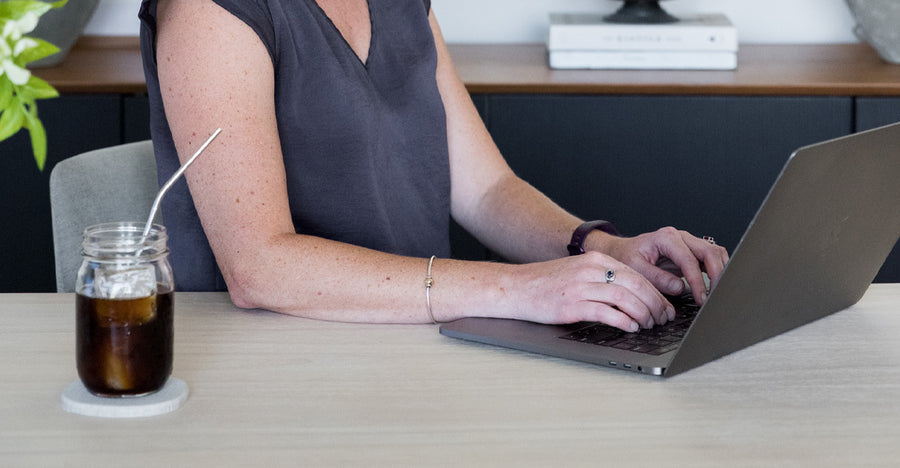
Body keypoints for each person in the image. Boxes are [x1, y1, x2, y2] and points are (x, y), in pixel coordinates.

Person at [138, 0, 729, 331]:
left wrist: (599, 248)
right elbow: (258, 267)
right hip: (283, 353)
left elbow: (489, 189)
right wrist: (516, 289)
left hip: (416, 340)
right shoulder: (207, 12)